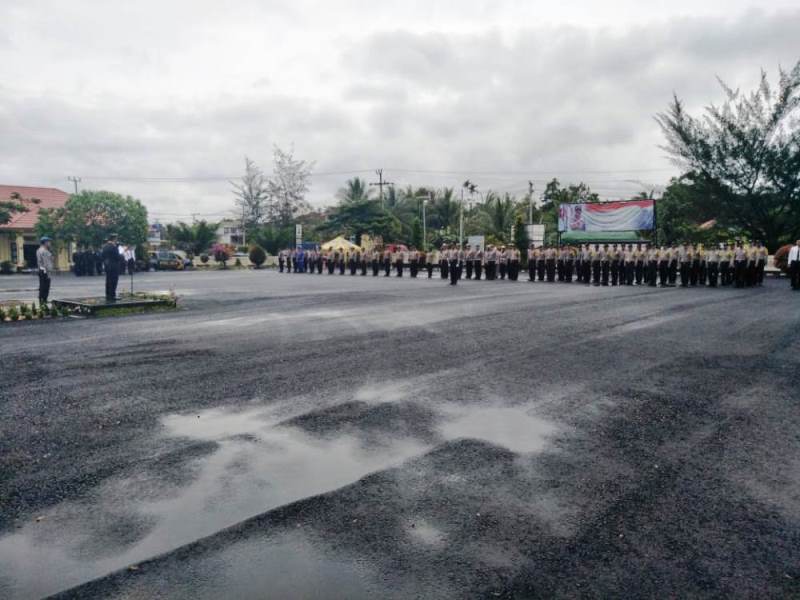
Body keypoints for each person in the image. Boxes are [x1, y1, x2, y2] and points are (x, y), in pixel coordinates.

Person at [102, 234, 121, 302]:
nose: (117, 240)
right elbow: (117, 257)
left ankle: (108, 295)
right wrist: (121, 256)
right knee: (113, 281)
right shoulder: (113, 247)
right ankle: (112, 295)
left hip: (107, 266)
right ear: (114, 239)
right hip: (114, 266)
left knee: (108, 281)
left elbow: (103, 256)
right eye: (116, 239)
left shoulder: (105, 246)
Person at [36, 236, 55, 305]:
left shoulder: (39, 250)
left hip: (41, 270)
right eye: (49, 242)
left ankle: (42, 301)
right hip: (45, 271)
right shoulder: (44, 251)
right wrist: (49, 272)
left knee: (42, 287)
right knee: (45, 288)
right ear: (45, 242)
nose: (50, 243)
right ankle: (43, 302)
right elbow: (46, 263)